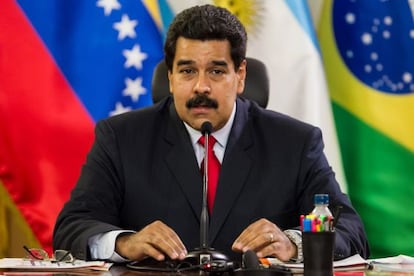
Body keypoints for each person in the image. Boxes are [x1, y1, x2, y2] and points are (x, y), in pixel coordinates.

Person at [53, 4, 369, 264]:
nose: (201, 86)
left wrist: (293, 243)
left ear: (240, 75)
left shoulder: (294, 143)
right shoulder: (121, 138)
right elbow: (73, 228)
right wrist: (123, 242)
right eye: (188, 71)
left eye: (216, 71)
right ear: (171, 76)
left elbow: (350, 230)